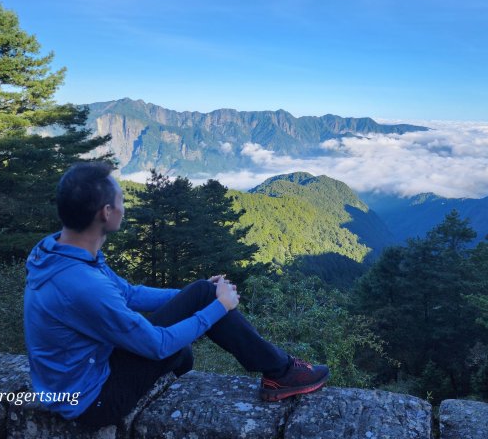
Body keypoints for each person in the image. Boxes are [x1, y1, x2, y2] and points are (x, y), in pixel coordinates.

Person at [24, 162, 329, 429]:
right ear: (106, 213)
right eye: (121, 200)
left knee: (195, 310)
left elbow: (129, 294)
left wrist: (200, 295)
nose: (124, 206)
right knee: (179, 346)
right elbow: (157, 345)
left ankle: (277, 367)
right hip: (91, 402)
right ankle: (282, 372)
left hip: (76, 375)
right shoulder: (84, 285)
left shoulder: (60, 251)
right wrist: (219, 306)